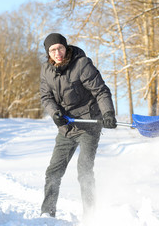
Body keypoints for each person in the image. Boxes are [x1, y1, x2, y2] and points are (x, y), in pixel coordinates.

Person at [39, 33, 117, 218]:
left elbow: (100, 91)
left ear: (66, 48)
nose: (57, 52)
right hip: (67, 127)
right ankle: (47, 214)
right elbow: (46, 97)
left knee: (84, 170)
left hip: (89, 124)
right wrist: (55, 113)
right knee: (53, 171)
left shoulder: (82, 64)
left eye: (60, 48)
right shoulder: (46, 70)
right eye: (52, 50)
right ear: (48, 53)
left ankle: (90, 216)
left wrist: (108, 113)